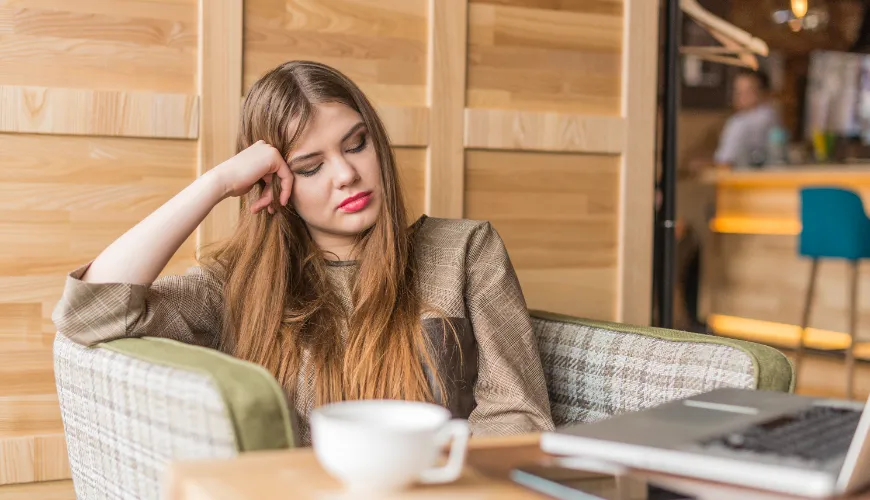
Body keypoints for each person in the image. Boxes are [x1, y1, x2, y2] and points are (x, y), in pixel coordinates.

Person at [51, 60, 555, 445]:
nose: (346, 175)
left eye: (356, 144)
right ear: (274, 181)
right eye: (310, 167)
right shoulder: (235, 286)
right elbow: (88, 312)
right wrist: (217, 182)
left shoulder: (465, 250)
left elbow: (518, 415)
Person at [713, 69, 781, 167]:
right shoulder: (773, 115)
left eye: (748, 91)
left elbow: (724, 161)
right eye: (737, 91)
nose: (741, 97)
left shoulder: (741, 121)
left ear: (764, 93)